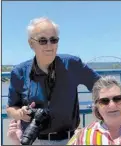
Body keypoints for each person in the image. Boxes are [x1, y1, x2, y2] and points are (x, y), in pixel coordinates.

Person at [7, 76, 121, 145]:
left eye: (118, 98)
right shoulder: (84, 137)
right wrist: (17, 142)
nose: (112, 105)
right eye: (104, 101)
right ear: (97, 107)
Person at [6, 17, 100, 145]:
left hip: (69, 140)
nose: (49, 45)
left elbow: (102, 87)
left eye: (53, 40)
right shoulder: (19, 72)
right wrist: (20, 113)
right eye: (43, 41)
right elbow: (10, 107)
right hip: (33, 140)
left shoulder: (72, 64)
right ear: (31, 44)